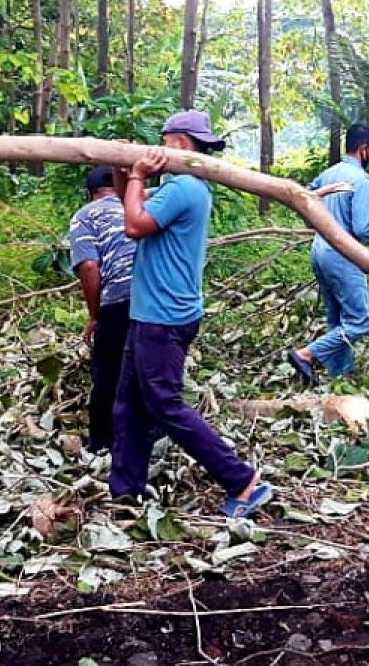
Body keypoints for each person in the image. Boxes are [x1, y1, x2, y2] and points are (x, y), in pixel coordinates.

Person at [110, 110, 272, 518]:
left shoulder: (183, 185)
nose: (159, 146)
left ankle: (242, 481)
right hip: (152, 314)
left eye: (164, 140)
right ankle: (126, 488)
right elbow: (130, 200)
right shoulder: (180, 187)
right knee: (129, 403)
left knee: (165, 405)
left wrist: (135, 177)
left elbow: (134, 224)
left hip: (163, 318)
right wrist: (123, 170)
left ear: (179, 143)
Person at [287, 124, 369, 387]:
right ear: (364, 149)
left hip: (319, 251)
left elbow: (304, 199)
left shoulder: (329, 174)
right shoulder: (361, 180)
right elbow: (361, 227)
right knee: (359, 323)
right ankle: (306, 354)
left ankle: (341, 375)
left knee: (336, 318)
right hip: (342, 254)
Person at [68, 165, 137, 454]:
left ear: (89, 193)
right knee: (143, 368)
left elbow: (88, 266)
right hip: (154, 295)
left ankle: (101, 442)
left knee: (107, 369)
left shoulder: (84, 216)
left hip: (119, 298)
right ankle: (147, 436)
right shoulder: (137, 205)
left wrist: (95, 315)